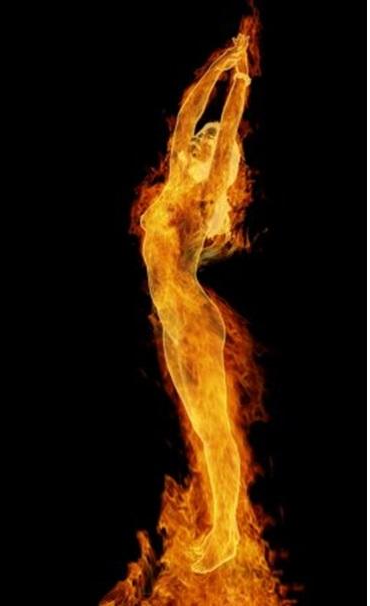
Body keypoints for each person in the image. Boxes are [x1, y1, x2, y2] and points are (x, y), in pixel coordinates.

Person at [140, 34, 251, 574]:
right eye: (199, 142)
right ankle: (219, 531)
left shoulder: (204, 199)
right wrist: (220, 65)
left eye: (210, 147)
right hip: (173, 322)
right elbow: (188, 115)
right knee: (204, 433)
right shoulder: (175, 182)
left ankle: (228, 534)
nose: (201, 143)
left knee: (216, 429)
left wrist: (242, 84)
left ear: (218, 165)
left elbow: (225, 133)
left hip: (193, 319)